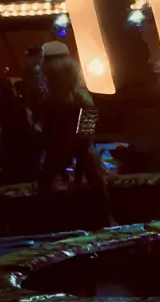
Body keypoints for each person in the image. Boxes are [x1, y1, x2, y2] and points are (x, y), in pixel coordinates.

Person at [37, 42, 112, 224]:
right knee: (95, 180)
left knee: (46, 185)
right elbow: (87, 131)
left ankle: (44, 222)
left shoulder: (51, 98)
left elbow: (48, 132)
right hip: (75, 146)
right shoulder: (81, 94)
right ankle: (105, 219)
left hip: (62, 148)